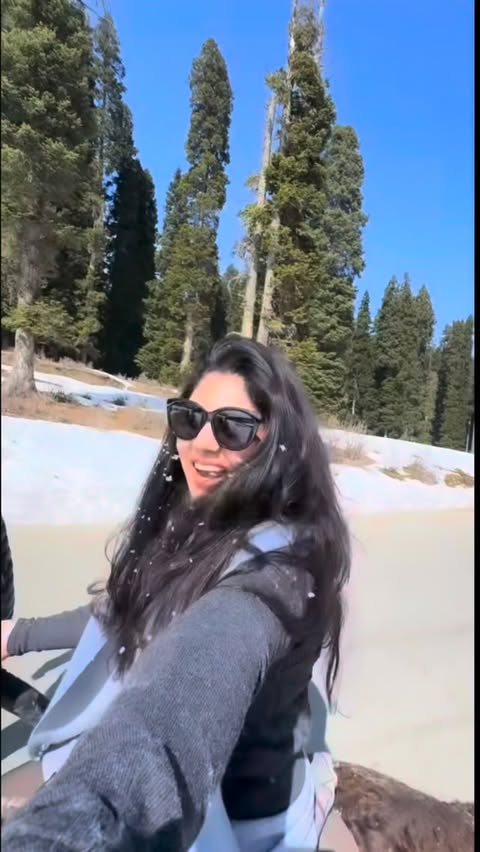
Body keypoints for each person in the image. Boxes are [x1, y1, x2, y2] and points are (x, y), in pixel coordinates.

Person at [2, 336, 352, 851]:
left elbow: (190, 687)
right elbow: (128, 607)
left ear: (277, 442)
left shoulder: (280, 572)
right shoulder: (195, 525)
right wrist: (16, 635)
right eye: (190, 419)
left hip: (239, 820)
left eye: (233, 427)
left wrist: (89, 821)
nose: (203, 443)